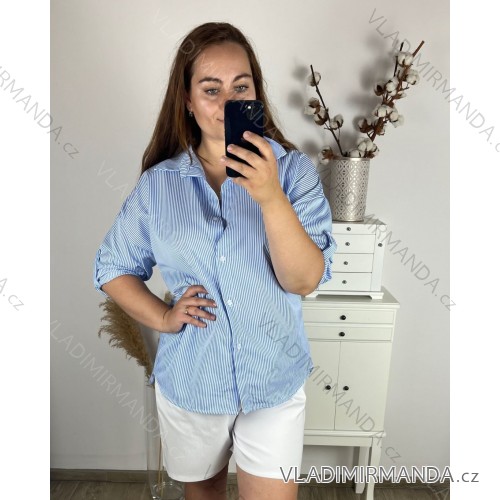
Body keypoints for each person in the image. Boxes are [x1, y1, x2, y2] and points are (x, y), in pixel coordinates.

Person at [94, 22, 336, 500]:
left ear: (255, 93)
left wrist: (270, 197)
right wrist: (164, 317)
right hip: (193, 383)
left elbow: (305, 280)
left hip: (273, 379)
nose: (227, 102)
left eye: (240, 87)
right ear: (187, 99)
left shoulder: (293, 173)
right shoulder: (158, 186)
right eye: (211, 89)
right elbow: (112, 267)